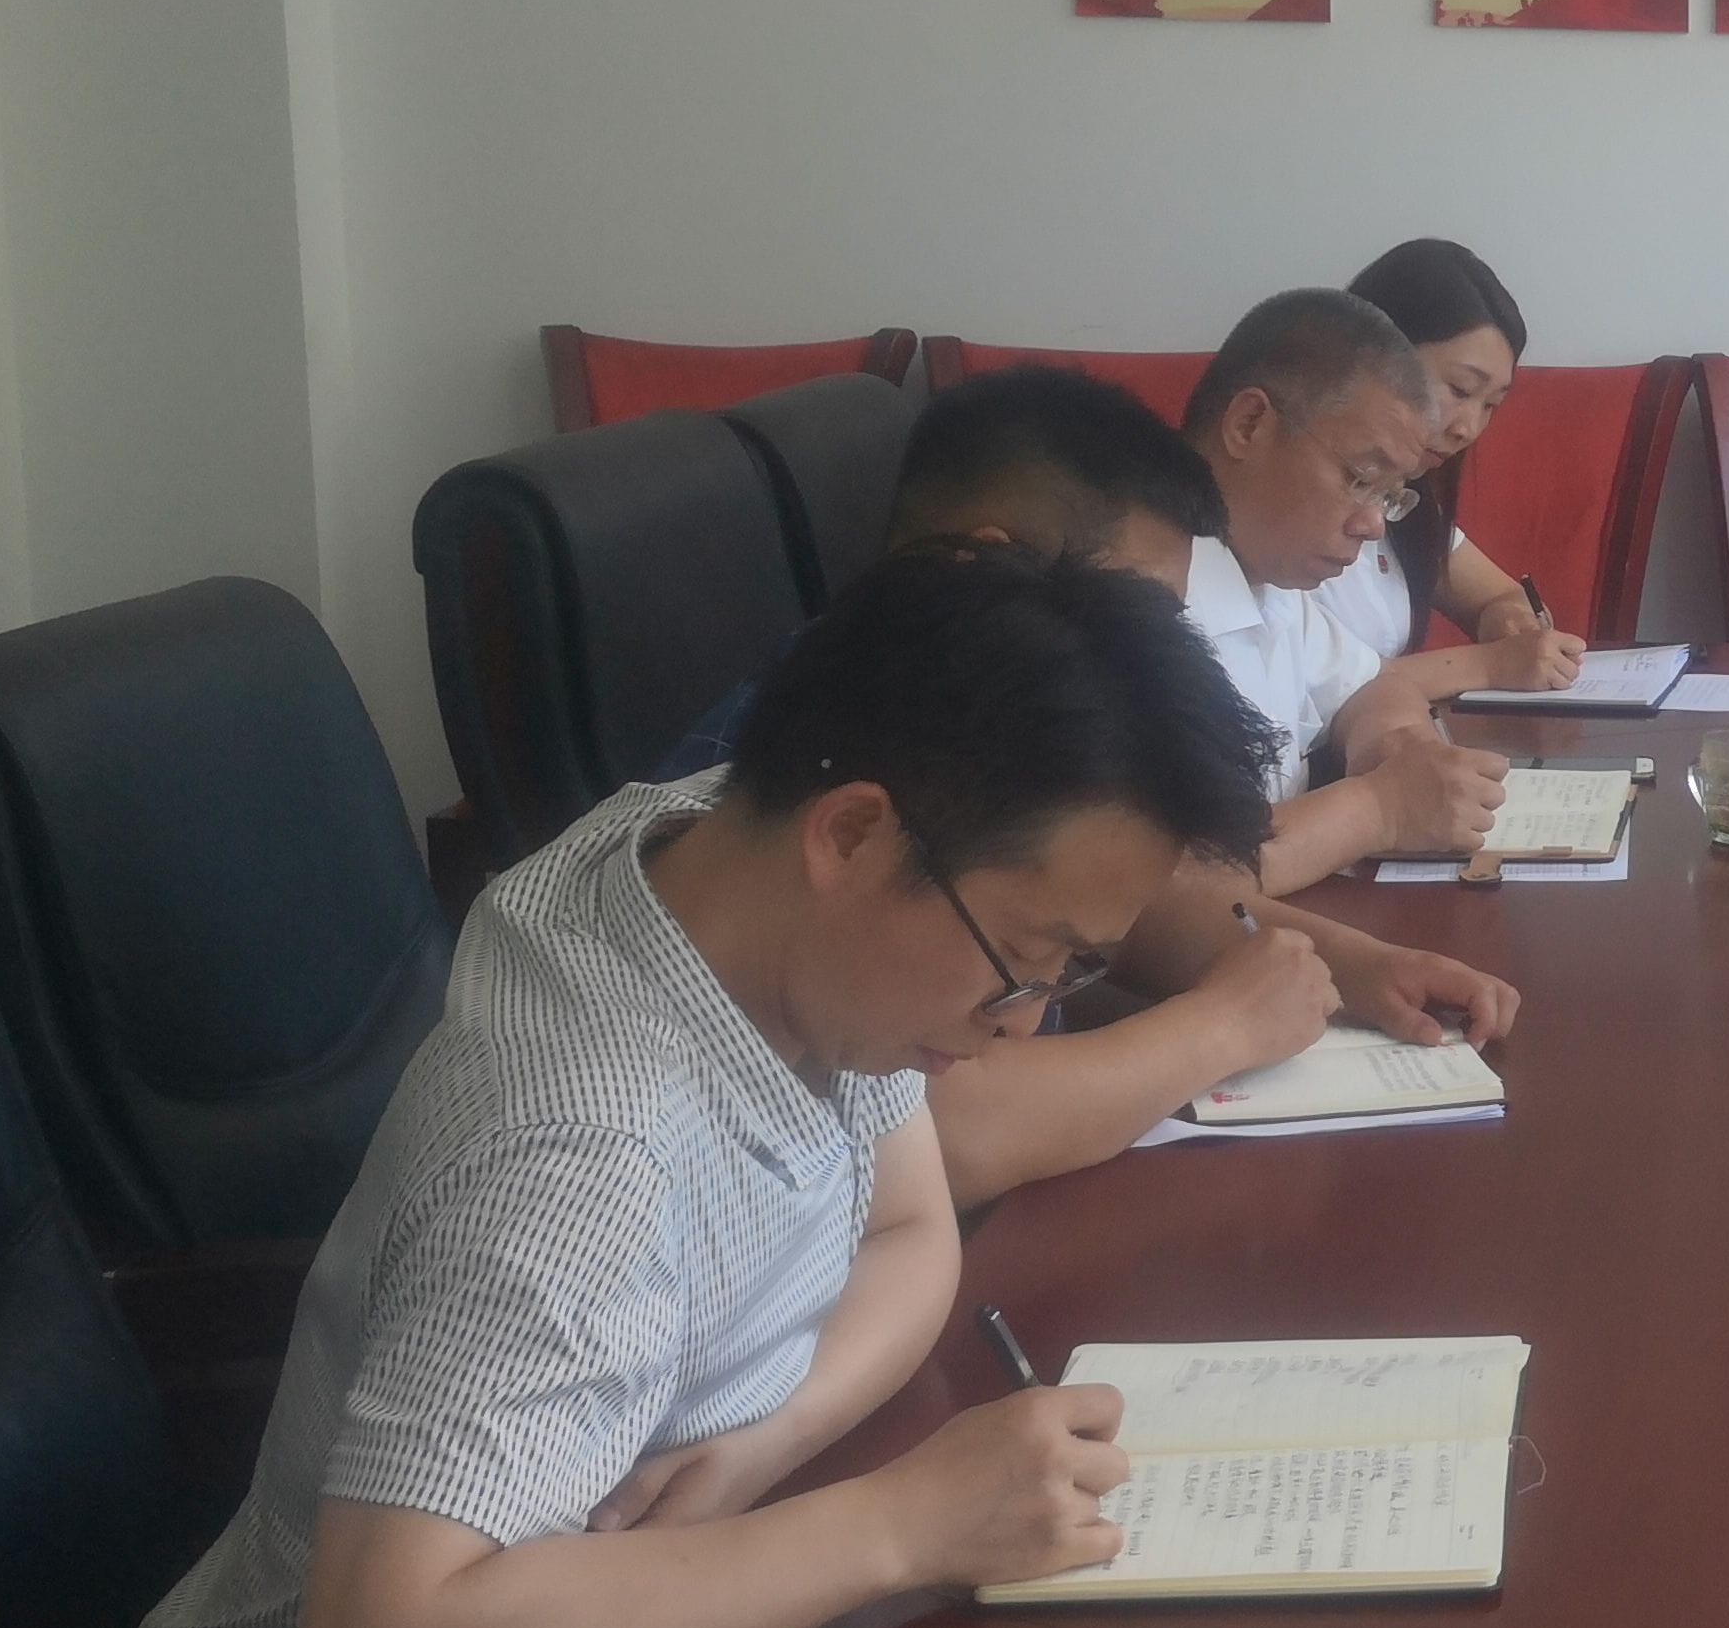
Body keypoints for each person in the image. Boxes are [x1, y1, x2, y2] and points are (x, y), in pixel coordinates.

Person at [122, 544, 1268, 1628]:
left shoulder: (725, 868)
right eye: (1024, 962)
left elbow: (910, 1233)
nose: (1020, 1023)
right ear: (852, 834)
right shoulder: (584, 1159)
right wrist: (901, 1523)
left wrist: (757, 1445)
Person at [658, 362, 1511, 1203]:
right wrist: (1221, 1028)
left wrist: (1354, 967)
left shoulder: (988, 726)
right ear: (984, 567)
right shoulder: (820, 756)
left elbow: (1119, 902)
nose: (1153, 663)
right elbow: (943, 1135)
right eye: (1124, 615)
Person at [1175, 288, 1508, 878]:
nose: (1373, 524)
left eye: (1388, 496)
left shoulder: (1268, 582)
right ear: (1249, 425)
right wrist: (1380, 807)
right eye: (1359, 479)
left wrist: (1396, 746)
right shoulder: (1137, 603)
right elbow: (1169, 880)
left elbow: (1369, 685)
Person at [1329, 238, 1590, 709]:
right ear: (1370, 359)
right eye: (1459, 389)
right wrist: (1491, 664)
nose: (1467, 428)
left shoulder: (1400, 497)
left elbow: (1497, 596)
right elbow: (1313, 685)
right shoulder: (1285, 502)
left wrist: (1509, 621)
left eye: (1491, 405)